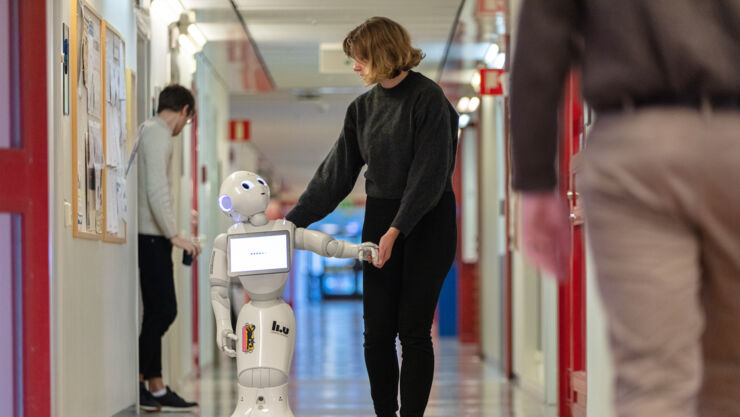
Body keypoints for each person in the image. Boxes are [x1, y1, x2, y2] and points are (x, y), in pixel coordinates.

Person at [510, 1, 740, 417]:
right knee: (731, 373)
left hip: (635, 147)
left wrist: (536, 181)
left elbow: (544, 30)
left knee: (652, 380)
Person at [286, 16, 458, 417]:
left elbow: (429, 175)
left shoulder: (429, 99)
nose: (355, 66)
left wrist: (397, 230)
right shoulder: (362, 109)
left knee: (413, 331)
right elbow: (336, 174)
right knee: (377, 333)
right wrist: (291, 222)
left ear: (381, 53)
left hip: (428, 219)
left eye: (359, 58)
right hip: (381, 216)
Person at [137, 84, 201, 412]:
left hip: (152, 236)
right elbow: (156, 190)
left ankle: (156, 387)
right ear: (184, 111)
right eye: (187, 122)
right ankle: (138, 379)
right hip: (151, 237)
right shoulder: (159, 134)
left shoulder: (148, 131)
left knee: (155, 312)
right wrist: (174, 234)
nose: (183, 128)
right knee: (165, 311)